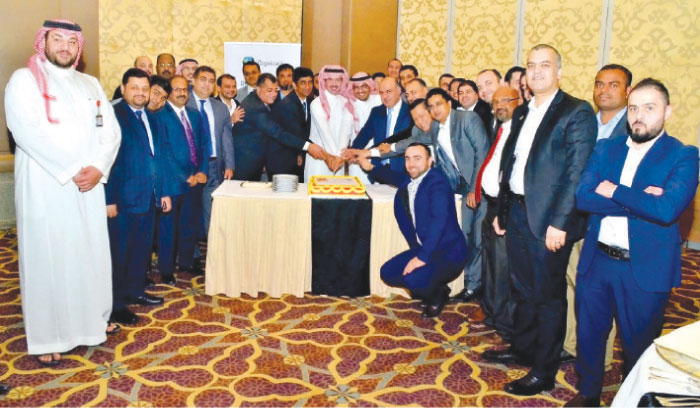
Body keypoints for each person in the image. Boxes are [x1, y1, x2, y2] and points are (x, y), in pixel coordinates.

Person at [566, 78, 699, 407]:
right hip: (597, 262)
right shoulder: (606, 148)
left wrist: (613, 191)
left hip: (645, 269)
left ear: (667, 111)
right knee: (590, 335)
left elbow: (667, 209)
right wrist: (641, 201)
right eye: (634, 108)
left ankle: (634, 397)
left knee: (639, 342)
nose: (639, 115)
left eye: (649, 108)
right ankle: (589, 392)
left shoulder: (684, 155)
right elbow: (583, 197)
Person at [5, 19, 121, 365]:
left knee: (89, 253)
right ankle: (48, 338)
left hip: (89, 185)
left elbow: (110, 132)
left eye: (72, 41)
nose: (65, 47)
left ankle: (90, 323)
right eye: (58, 39)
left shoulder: (90, 83)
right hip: (47, 185)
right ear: (44, 42)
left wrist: (98, 167)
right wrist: (73, 170)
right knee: (48, 258)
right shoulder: (24, 80)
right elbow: (25, 130)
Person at [482, 44, 597, 396]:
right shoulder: (522, 111)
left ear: (559, 72)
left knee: (547, 296)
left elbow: (576, 173)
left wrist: (560, 222)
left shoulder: (576, 112)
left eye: (545, 65)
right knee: (521, 289)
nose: (536, 72)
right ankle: (524, 348)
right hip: (516, 212)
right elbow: (511, 165)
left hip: (548, 220)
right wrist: (502, 210)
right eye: (531, 66)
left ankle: (544, 371)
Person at [563, 63, 632, 372]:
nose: (604, 90)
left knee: (603, 295)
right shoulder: (585, 123)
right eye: (599, 84)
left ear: (628, 91)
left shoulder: (633, 129)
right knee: (571, 282)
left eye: (613, 84)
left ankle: (599, 360)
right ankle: (570, 345)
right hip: (576, 218)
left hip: (610, 225)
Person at [359, 143, 468, 318]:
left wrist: (421, 258)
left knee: (414, 279)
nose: (412, 164)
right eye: (408, 159)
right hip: (426, 249)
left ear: (430, 161)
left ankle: (436, 297)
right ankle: (438, 288)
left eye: (417, 159)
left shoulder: (437, 183)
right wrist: (370, 167)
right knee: (387, 272)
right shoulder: (412, 179)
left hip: (450, 252)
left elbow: (439, 223)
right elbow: (393, 177)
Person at [107, 68, 172, 325]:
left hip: (149, 197)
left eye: (144, 89)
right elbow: (107, 161)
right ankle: (115, 305)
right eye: (135, 88)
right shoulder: (114, 115)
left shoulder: (152, 117)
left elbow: (160, 159)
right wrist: (108, 198)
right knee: (118, 254)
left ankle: (135, 291)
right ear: (123, 89)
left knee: (140, 251)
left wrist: (164, 192)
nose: (140, 93)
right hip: (122, 200)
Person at [473, 86, 520, 339]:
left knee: (503, 266)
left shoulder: (520, 130)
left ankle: (506, 325)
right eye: (495, 102)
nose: (499, 106)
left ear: (519, 101)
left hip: (507, 206)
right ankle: (491, 312)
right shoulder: (500, 127)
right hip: (491, 204)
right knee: (489, 262)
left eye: (506, 101)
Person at [154, 75, 208, 284]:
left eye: (185, 89)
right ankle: (166, 270)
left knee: (189, 225)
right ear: (169, 92)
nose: (182, 92)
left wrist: (202, 171)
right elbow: (163, 152)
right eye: (177, 89)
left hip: (195, 181)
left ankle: (186, 263)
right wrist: (185, 176)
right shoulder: (160, 116)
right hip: (172, 182)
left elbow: (204, 144)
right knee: (168, 229)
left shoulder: (194, 115)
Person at [233, 73, 327, 181]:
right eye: (269, 90)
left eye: (275, 90)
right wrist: (308, 146)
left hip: (253, 161)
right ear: (258, 89)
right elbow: (278, 133)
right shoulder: (255, 108)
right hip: (245, 165)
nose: (273, 94)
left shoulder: (258, 100)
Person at [186, 66, 235, 239]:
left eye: (211, 81)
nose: (207, 85)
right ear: (193, 80)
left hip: (215, 165)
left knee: (212, 208)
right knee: (191, 210)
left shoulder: (220, 108)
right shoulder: (183, 104)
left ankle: (211, 246)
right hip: (192, 167)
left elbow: (226, 139)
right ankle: (191, 253)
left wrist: (229, 165)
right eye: (203, 79)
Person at [349, 76, 411, 180]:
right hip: (378, 171)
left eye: (388, 91)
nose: (385, 96)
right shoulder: (377, 112)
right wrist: (351, 153)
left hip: (401, 173)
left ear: (399, 90)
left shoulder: (410, 112)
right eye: (381, 93)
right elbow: (363, 137)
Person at [305, 65, 355, 181]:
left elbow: (346, 132)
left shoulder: (346, 102)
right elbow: (325, 133)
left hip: (338, 160)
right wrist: (336, 157)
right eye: (330, 80)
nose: (334, 84)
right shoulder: (316, 104)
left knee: (337, 195)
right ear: (324, 81)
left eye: (338, 80)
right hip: (320, 159)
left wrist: (340, 156)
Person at [271, 67, 315, 179]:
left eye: (310, 82)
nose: (307, 86)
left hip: (301, 156)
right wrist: (299, 153)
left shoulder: (311, 103)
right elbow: (295, 132)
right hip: (285, 159)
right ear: (295, 85)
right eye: (303, 83)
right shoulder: (286, 105)